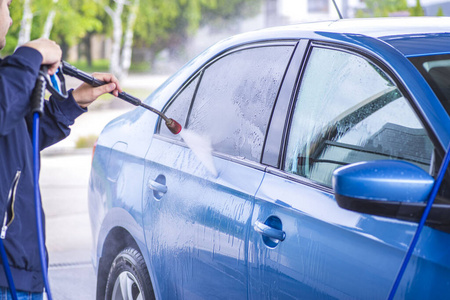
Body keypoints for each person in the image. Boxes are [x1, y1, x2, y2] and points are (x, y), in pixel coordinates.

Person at [0, 0, 122, 298]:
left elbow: (18, 139)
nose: (11, 20)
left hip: (20, 269)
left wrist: (73, 102)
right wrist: (31, 54)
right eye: (6, 5)